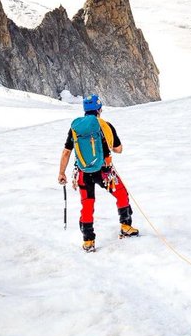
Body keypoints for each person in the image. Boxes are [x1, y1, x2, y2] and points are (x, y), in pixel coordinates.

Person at [56, 93, 139, 252]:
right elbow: (118, 149)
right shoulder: (105, 125)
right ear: (99, 109)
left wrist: (61, 173)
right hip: (104, 172)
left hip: (82, 173)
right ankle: (126, 226)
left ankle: (88, 242)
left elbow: (66, 152)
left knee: (87, 204)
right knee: (121, 193)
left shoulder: (75, 128)